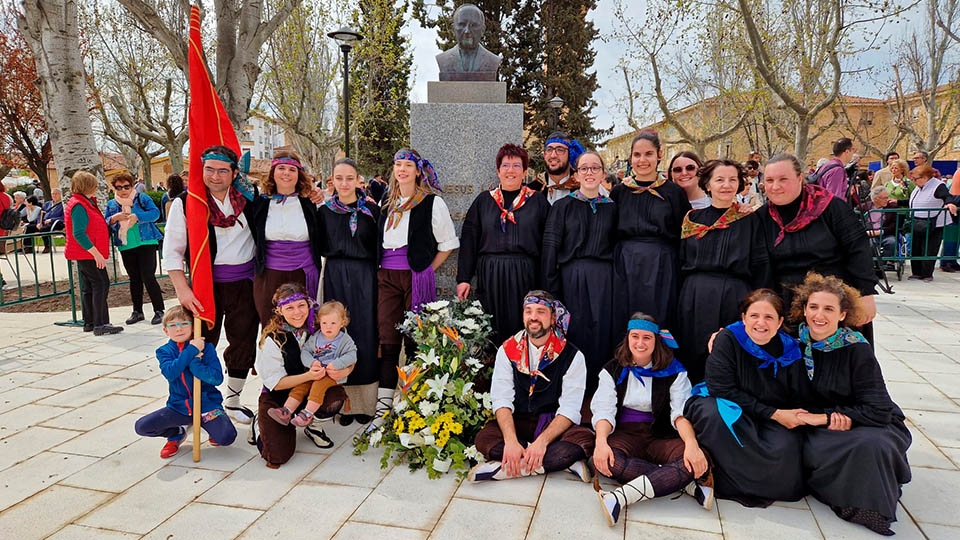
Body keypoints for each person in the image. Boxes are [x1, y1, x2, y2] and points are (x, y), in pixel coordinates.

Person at [790, 273, 911, 536]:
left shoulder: (857, 349)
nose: (819, 315)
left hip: (865, 421)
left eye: (828, 309)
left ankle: (867, 508)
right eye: (813, 307)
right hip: (816, 424)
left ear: (842, 315)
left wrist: (829, 417)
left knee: (871, 446)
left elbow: (879, 409)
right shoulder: (793, 342)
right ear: (804, 309)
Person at [163, 145, 260, 425]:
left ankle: (232, 400)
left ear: (233, 173)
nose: (215, 177)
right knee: (198, 345)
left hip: (245, 283)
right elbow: (173, 251)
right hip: (205, 287)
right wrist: (183, 290)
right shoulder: (187, 202)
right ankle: (192, 404)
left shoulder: (249, 199)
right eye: (209, 170)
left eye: (222, 170)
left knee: (242, 342)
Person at [586, 313, 712, 526]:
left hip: (661, 433)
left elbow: (680, 414)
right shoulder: (612, 369)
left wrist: (691, 444)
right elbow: (604, 411)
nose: (640, 343)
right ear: (628, 339)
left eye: (647, 337)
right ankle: (681, 482)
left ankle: (619, 497)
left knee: (698, 458)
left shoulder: (674, 371)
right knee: (611, 462)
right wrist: (600, 443)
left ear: (656, 341)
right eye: (635, 336)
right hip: (626, 433)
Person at [683, 289, 806, 505]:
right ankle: (714, 478)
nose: (761, 323)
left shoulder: (791, 350)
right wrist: (774, 414)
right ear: (743, 318)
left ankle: (763, 486)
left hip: (768, 411)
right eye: (754, 316)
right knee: (716, 420)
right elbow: (720, 388)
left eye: (769, 317)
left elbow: (794, 395)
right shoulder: (728, 339)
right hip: (726, 401)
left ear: (779, 322)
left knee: (787, 445)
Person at [468, 291, 594, 482]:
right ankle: (559, 462)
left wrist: (542, 442)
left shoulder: (572, 355)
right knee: (483, 439)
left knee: (584, 441)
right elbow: (501, 398)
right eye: (528, 311)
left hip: (551, 423)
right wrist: (510, 441)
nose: (533, 317)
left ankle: (504, 469)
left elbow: (570, 408)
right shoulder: (507, 350)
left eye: (541, 312)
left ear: (552, 318)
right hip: (517, 422)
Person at [374, 148, 459, 429]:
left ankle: (412, 402)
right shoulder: (387, 202)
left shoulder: (432, 203)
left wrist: (425, 272)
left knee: (415, 339)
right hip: (386, 276)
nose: (402, 170)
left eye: (408, 165)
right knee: (387, 338)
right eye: (398, 164)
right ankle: (383, 405)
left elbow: (447, 244)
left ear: (418, 171)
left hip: (415, 277)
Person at [757, 154, 878, 339]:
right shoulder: (762, 217)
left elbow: (857, 248)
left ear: (800, 178)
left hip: (833, 299)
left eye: (783, 179)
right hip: (786, 303)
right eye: (770, 180)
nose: (775, 186)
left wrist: (866, 294)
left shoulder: (830, 207)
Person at [676, 160, 771, 384]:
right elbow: (682, 260)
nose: (726, 185)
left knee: (729, 351)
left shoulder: (750, 219)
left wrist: (759, 304)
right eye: (719, 179)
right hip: (694, 296)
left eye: (732, 180)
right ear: (707, 184)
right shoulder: (692, 220)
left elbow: (760, 263)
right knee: (694, 350)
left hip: (734, 295)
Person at [457, 143, 550, 344]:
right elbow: (469, 240)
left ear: (525, 171)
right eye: (506, 165)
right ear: (498, 171)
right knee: (492, 329)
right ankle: (494, 373)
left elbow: (547, 244)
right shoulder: (484, 201)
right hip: (490, 273)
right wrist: (463, 277)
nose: (511, 170)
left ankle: (523, 371)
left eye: (517, 165)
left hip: (525, 273)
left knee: (523, 328)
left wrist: (546, 283)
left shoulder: (538, 202)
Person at [542, 150, 617, 394]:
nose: (589, 173)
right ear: (576, 174)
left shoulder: (613, 208)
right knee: (575, 328)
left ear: (603, 173)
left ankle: (599, 386)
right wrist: (550, 287)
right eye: (584, 168)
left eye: (595, 168)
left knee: (602, 330)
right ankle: (574, 388)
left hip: (604, 277)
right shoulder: (563, 206)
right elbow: (551, 246)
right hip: (571, 275)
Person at [254, 283, 351, 464]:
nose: (297, 312)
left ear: (309, 305)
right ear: (280, 310)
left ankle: (312, 423)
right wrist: (309, 376)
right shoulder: (273, 339)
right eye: (290, 308)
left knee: (335, 397)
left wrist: (346, 370)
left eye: (301, 306)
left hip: (310, 392)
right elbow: (275, 383)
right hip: (279, 396)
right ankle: (261, 423)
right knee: (277, 456)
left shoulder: (321, 328)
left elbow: (347, 351)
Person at [319, 157, 381, 425]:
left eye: (349, 178)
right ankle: (343, 403)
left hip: (365, 275)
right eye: (339, 178)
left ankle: (365, 403)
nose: (344, 183)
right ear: (332, 180)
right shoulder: (324, 211)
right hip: (335, 274)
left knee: (365, 333)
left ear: (359, 180)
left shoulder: (372, 211)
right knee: (338, 334)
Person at [611, 131, 691, 333]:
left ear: (659, 155)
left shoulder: (674, 192)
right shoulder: (620, 192)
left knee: (659, 316)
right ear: (631, 158)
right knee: (626, 316)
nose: (642, 160)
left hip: (662, 265)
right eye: (637, 155)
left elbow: (685, 235)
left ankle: (661, 362)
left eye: (648, 154)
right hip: (626, 264)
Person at [134, 306, 238, 458]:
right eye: (173, 325)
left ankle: (211, 427)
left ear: (193, 327)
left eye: (184, 324)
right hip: (179, 408)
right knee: (142, 426)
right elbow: (171, 373)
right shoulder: (164, 351)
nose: (179, 329)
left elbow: (216, 378)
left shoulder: (207, 348)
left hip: (207, 406)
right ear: (165, 331)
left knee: (226, 437)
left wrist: (196, 364)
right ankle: (177, 432)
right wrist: (191, 351)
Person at [250, 150, 323, 325]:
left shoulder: (311, 202)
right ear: (273, 172)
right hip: (269, 274)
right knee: (271, 324)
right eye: (281, 168)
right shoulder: (260, 203)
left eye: (292, 170)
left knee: (304, 323)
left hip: (303, 272)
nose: (286, 173)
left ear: (299, 175)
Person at [267, 300, 357, 432]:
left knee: (317, 387)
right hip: (315, 371)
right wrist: (312, 363)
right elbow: (306, 352)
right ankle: (286, 411)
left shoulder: (344, 340)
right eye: (324, 323)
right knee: (300, 387)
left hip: (331, 375)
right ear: (319, 321)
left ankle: (307, 414)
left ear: (342, 323)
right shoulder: (316, 337)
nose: (328, 327)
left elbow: (352, 355)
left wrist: (337, 364)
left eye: (333, 323)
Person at [64, 171, 123, 335]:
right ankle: (100, 323)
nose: (97, 188)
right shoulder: (79, 205)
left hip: (87, 253)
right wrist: (96, 253)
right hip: (88, 253)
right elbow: (79, 233)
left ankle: (90, 322)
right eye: (94, 185)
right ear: (87, 186)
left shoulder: (84, 202)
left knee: (90, 287)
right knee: (101, 284)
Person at [105, 173, 166, 325]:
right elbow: (106, 222)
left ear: (132, 186)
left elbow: (155, 214)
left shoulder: (142, 198)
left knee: (148, 276)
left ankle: (159, 310)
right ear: (114, 188)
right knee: (134, 279)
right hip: (126, 244)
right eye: (119, 187)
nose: (123, 190)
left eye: (126, 186)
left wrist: (137, 216)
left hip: (146, 242)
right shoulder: (112, 204)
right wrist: (113, 219)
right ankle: (137, 311)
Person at [906, 164, 960, 281]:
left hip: (934, 223)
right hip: (917, 221)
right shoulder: (919, 186)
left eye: (915, 179)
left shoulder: (938, 186)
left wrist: (950, 204)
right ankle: (916, 272)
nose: (914, 181)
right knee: (916, 248)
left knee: (929, 248)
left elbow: (947, 196)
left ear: (925, 177)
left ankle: (927, 274)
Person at [535, 132, 584, 204]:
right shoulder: (533, 190)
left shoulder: (584, 189)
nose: (553, 155)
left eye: (560, 150)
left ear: (570, 154)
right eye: (549, 150)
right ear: (544, 155)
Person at [866, 186, 898, 264]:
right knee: (871, 244)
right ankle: (873, 264)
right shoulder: (865, 207)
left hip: (885, 233)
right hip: (869, 234)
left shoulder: (892, 208)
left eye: (887, 197)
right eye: (884, 198)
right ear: (876, 198)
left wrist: (881, 231)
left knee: (892, 242)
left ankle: (882, 263)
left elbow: (894, 225)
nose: (887, 200)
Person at [30, 188, 64, 253]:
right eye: (53, 194)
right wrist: (38, 223)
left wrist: (52, 219)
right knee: (29, 227)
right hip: (44, 222)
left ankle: (47, 247)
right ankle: (28, 247)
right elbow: (40, 214)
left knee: (44, 229)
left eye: (56, 194)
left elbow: (64, 217)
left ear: (60, 195)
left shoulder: (63, 205)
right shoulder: (47, 204)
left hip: (56, 223)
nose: (54, 195)